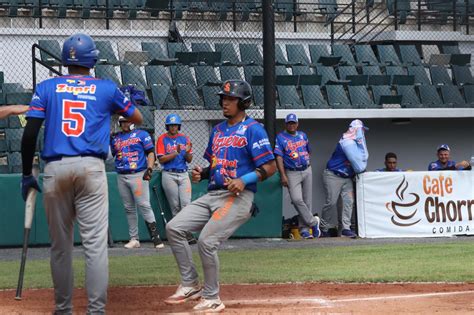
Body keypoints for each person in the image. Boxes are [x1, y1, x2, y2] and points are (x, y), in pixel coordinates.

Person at [20, 33, 142, 314]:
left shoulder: (47, 86)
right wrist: (124, 102)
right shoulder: (106, 88)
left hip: (55, 168)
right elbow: (136, 118)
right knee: (95, 246)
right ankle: (96, 311)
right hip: (90, 167)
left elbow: (29, 135)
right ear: (93, 60)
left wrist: (27, 173)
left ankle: (63, 309)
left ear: (65, 59)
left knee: (60, 248)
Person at [164, 79, 276, 312]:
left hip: (237, 197)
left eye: (231, 99)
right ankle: (190, 284)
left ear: (244, 102)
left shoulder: (253, 129)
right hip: (212, 194)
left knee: (207, 241)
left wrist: (243, 180)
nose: (225, 102)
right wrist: (202, 173)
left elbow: (270, 167)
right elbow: (215, 164)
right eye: (223, 98)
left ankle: (212, 297)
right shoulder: (217, 130)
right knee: (174, 228)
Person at [111, 116, 164, 249]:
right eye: (122, 122)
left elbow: (151, 152)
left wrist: (150, 168)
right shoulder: (116, 138)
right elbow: (113, 154)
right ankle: (134, 239)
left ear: (132, 122)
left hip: (138, 173)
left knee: (144, 205)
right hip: (122, 174)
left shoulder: (142, 134)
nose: (125, 124)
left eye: (127, 121)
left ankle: (156, 237)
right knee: (129, 208)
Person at [320, 119, 369, 239]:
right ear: (356, 130)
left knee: (349, 202)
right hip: (333, 175)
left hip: (346, 177)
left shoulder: (355, 143)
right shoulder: (347, 142)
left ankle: (346, 229)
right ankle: (323, 228)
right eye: (361, 130)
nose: (363, 132)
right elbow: (359, 165)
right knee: (331, 203)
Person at [274, 113, 320, 239]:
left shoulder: (302, 135)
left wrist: (307, 163)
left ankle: (304, 230)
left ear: (297, 124)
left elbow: (308, 151)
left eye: (293, 123)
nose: (292, 125)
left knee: (307, 201)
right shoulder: (281, 137)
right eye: (289, 123)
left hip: (306, 170)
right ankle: (313, 222)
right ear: (286, 124)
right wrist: (283, 175)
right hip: (291, 171)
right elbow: (278, 157)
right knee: (296, 199)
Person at [156, 114, 193, 229]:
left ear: (179, 126)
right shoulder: (162, 139)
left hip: (183, 174)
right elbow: (161, 159)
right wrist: (175, 153)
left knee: (186, 205)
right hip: (169, 174)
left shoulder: (184, 138)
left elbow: (189, 159)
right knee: (175, 206)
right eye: (171, 125)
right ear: (167, 126)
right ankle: (178, 232)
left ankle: (186, 231)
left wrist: (186, 152)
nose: (173, 128)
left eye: (175, 125)